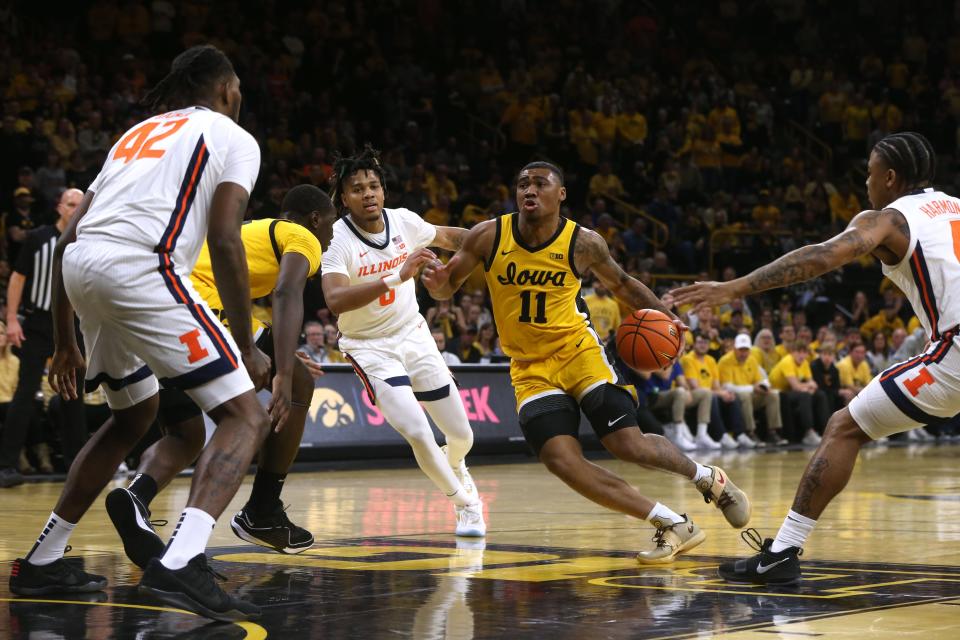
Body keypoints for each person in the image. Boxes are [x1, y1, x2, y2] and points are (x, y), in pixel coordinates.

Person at [8, 45, 271, 622]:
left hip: (81, 268)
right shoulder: (233, 136)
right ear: (226, 89)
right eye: (240, 90)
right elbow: (226, 238)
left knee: (133, 415)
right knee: (245, 416)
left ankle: (44, 559)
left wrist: (66, 340)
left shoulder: (138, 132)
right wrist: (248, 344)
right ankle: (181, 560)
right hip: (143, 267)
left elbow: (68, 236)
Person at [422, 161, 750, 563]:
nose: (529, 190)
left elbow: (623, 284)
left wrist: (667, 316)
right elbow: (447, 285)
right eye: (522, 183)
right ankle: (670, 522)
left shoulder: (584, 242)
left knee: (626, 444)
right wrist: (437, 285)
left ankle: (708, 479)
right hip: (529, 368)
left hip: (580, 353)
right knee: (561, 460)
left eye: (540, 184)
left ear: (560, 194)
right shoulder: (488, 235)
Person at [668, 132, 954, 585]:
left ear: (891, 178)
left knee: (844, 427)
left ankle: (782, 555)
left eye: (870, 173)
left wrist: (732, 288)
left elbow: (822, 256)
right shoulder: (955, 207)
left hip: (953, 353)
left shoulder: (891, 219)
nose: (866, 182)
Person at [105, 185, 336, 569]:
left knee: (186, 434)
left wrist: (283, 359)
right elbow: (285, 294)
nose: (329, 238)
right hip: (194, 306)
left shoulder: (256, 231)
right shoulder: (302, 236)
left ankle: (136, 496)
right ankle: (262, 510)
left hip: (152, 307)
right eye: (330, 226)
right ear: (315, 219)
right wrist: (283, 370)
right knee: (295, 387)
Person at [320, 145, 485, 537]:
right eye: (358, 189)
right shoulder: (336, 238)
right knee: (416, 431)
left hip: (413, 334)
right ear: (344, 198)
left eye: (374, 186)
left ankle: (457, 465)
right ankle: (467, 505)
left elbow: (453, 237)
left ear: (384, 191)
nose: (368, 194)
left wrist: (497, 242)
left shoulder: (405, 222)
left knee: (462, 436)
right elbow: (335, 299)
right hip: (368, 346)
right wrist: (398, 276)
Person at [0, 189, 87, 488]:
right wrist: (11, 319)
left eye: (80, 205)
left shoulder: (89, 238)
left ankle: (78, 465)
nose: (76, 209)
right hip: (38, 322)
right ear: (59, 207)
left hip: (74, 324)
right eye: (71, 204)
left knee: (75, 394)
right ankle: (7, 464)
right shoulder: (38, 238)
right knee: (25, 393)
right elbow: (18, 278)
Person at [718, 333, 775, 447]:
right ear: (735, 348)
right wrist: (753, 388)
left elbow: (758, 379)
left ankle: (772, 432)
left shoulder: (752, 360)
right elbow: (727, 386)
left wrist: (763, 387)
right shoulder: (725, 361)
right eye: (741, 350)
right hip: (732, 396)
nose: (744, 353)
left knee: (773, 395)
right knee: (745, 395)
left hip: (750, 393)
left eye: (746, 350)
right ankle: (750, 432)